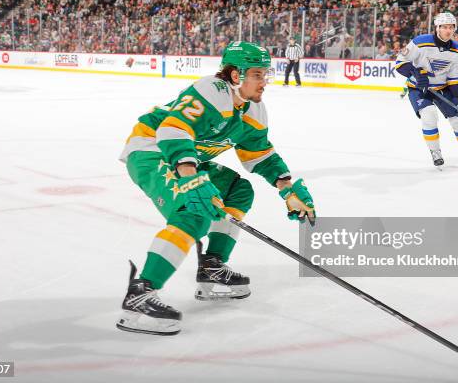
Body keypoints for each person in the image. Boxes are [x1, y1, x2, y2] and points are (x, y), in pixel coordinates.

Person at [117, 41, 316, 335]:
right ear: (236, 75)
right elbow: (173, 130)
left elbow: (259, 153)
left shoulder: (255, 110)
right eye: (258, 75)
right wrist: (190, 176)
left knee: (239, 191)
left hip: (187, 159)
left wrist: (287, 190)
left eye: (265, 74)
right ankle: (141, 293)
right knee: (193, 210)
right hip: (152, 150)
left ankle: (212, 266)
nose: (265, 82)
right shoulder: (212, 91)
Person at [396, 12, 458, 169]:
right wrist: (416, 73)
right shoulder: (420, 42)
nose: (448, 30)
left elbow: (456, 80)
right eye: (444, 27)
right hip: (418, 89)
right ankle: (435, 152)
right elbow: (400, 63)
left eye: (451, 27)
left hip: (442, 88)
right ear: (437, 27)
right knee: (429, 115)